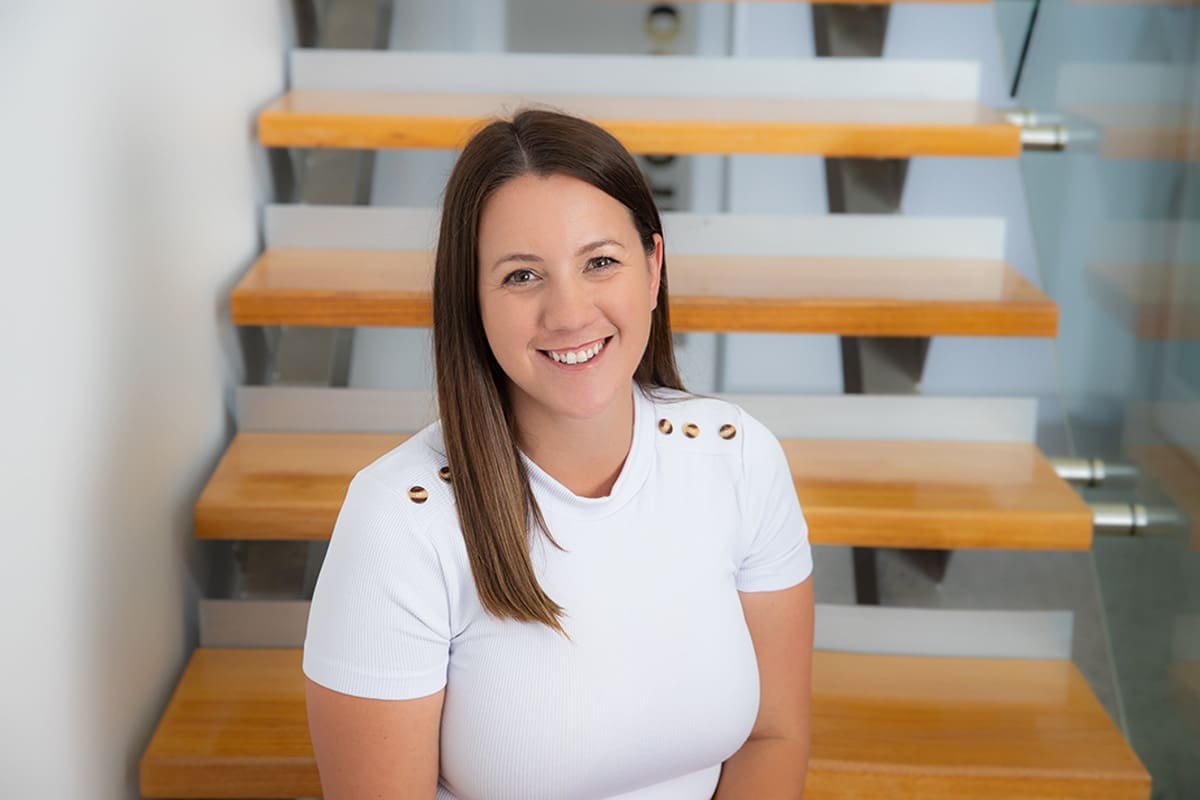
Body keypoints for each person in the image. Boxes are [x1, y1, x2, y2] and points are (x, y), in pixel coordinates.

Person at [302, 108, 815, 800]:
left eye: (601, 262)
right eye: (522, 276)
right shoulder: (399, 521)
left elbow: (772, 736)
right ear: (471, 301)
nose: (569, 314)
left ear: (654, 268)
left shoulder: (738, 457)